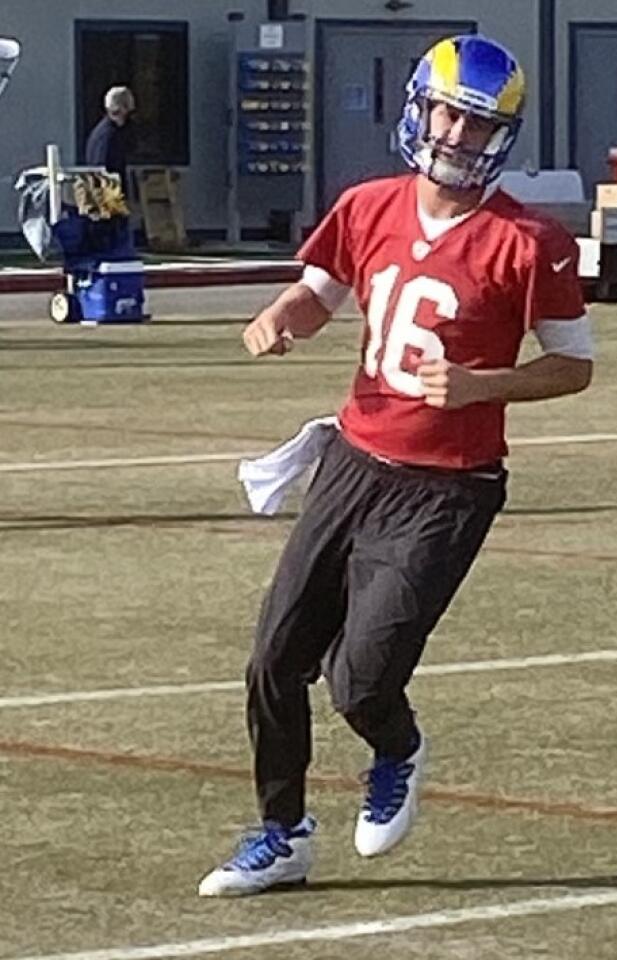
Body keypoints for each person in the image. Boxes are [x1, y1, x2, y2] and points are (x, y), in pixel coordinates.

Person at [198, 34, 593, 897]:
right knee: (274, 658)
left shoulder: (530, 241)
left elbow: (575, 364)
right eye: (450, 112)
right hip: (354, 457)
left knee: (362, 678)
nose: (458, 135)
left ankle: (398, 747)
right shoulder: (368, 205)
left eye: (480, 122)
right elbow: (323, 292)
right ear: (418, 108)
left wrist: (482, 383)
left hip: (449, 486)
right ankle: (283, 833)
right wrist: (287, 314)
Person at [84, 86, 135, 196]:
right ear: (123, 108)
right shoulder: (108, 136)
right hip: (108, 197)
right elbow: (102, 168)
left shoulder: (105, 132)